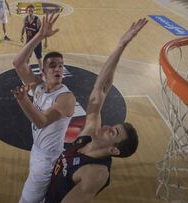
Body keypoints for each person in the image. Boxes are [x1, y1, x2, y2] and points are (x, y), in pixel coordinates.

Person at [44, 18, 148, 203]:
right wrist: (121, 45)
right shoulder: (89, 133)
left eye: (113, 132)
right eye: (112, 126)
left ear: (114, 150)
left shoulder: (95, 174)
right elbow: (101, 89)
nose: (107, 126)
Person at [12, 14, 76, 203]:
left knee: (27, 200)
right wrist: (39, 36)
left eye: (61, 66)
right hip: (37, 150)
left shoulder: (66, 98)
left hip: (48, 159)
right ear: (44, 72)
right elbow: (17, 63)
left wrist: (24, 100)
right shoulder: (38, 86)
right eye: (53, 66)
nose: (58, 69)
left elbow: (41, 122)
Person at [20, 4, 47, 71]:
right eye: (29, 10)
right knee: (27, 57)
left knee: (39, 58)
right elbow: (23, 27)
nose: (30, 12)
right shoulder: (25, 19)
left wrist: (46, 41)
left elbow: (43, 31)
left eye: (32, 10)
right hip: (29, 42)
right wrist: (21, 36)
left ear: (34, 11)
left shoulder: (37, 20)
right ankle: (26, 70)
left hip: (36, 42)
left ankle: (42, 72)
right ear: (27, 11)